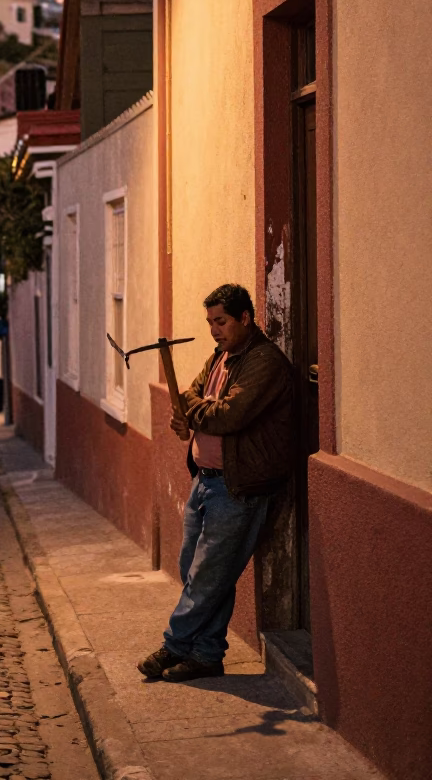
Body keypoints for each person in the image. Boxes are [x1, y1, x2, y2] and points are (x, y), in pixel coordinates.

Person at [137, 283, 294, 683]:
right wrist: (193, 409)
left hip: (237, 487)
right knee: (197, 570)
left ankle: (174, 646)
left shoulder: (264, 362)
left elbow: (230, 415)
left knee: (208, 576)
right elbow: (189, 395)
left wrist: (191, 412)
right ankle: (206, 655)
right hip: (205, 480)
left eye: (221, 321)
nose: (214, 330)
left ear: (245, 318)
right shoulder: (220, 357)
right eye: (210, 322)